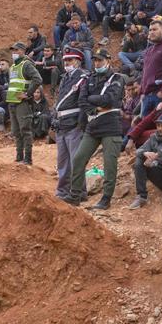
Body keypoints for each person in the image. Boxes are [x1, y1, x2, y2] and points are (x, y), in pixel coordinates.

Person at [66, 49, 126, 210]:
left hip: (111, 126)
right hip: (92, 125)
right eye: (95, 60)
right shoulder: (89, 78)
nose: (97, 63)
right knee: (78, 158)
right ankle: (75, 195)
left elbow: (110, 99)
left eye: (100, 60)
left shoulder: (117, 78)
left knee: (110, 164)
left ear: (108, 60)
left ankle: (106, 199)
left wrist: (93, 99)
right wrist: (94, 107)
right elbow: (82, 100)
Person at [53, 48, 89, 201]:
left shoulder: (83, 78)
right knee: (63, 162)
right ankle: (63, 191)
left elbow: (82, 102)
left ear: (78, 61)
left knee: (76, 161)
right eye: (65, 60)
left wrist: (80, 124)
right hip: (61, 124)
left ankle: (79, 192)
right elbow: (60, 101)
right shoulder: (64, 78)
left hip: (74, 124)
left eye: (70, 60)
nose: (67, 63)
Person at [7, 41, 43, 165]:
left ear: (23, 51)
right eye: (13, 50)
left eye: (16, 50)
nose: (14, 53)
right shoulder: (12, 67)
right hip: (12, 102)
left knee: (25, 130)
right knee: (16, 132)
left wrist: (27, 94)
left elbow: (38, 79)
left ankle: (27, 159)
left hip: (22, 103)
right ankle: (19, 157)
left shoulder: (26, 65)